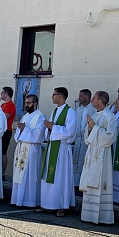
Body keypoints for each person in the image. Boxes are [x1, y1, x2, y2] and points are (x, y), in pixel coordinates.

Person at [38, 87, 77, 217]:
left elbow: (70, 131)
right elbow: (50, 128)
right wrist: (48, 128)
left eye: (54, 95)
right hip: (52, 147)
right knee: (48, 175)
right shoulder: (55, 111)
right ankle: (47, 204)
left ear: (60, 96)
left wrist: (53, 127)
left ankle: (61, 206)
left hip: (61, 149)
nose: (52, 97)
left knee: (60, 177)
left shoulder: (70, 112)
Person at [80, 91, 117, 224]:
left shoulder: (109, 116)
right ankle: (88, 215)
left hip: (102, 155)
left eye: (94, 98)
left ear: (100, 101)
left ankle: (102, 217)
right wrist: (90, 129)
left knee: (100, 183)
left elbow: (109, 137)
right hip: (92, 152)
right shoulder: (95, 115)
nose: (92, 100)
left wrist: (93, 127)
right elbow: (87, 137)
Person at [11, 94, 46, 207]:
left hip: (31, 150)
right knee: (19, 174)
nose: (26, 105)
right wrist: (21, 131)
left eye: (29, 103)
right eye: (25, 103)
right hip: (21, 148)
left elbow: (38, 136)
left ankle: (29, 201)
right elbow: (17, 134)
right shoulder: (25, 116)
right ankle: (18, 199)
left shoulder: (41, 117)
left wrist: (24, 129)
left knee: (29, 176)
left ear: (35, 104)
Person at [73, 89, 96, 187]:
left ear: (87, 97)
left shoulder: (94, 110)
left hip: (88, 141)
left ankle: (83, 185)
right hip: (78, 140)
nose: (79, 98)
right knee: (76, 163)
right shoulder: (78, 109)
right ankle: (75, 184)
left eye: (81, 96)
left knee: (85, 163)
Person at [1, 86, 17, 178]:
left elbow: (5, 117)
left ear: (6, 93)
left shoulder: (11, 105)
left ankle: (2, 173)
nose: (1, 94)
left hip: (6, 131)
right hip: (0, 131)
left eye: (2, 92)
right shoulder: (3, 105)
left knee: (3, 152)